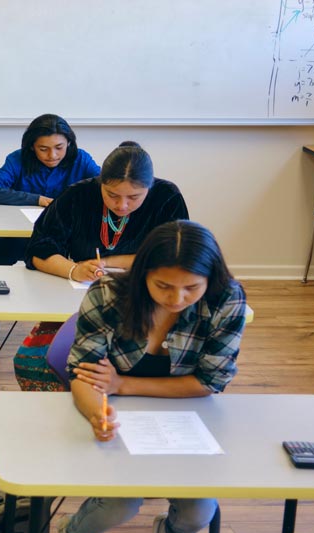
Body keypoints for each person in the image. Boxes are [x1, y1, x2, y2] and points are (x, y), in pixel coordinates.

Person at [56, 220, 247, 533]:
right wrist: (99, 413)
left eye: (192, 288)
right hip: (118, 410)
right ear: (143, 274)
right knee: (121, 504)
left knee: (198, 510)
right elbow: (84, 375)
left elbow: (210, 382)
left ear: (210, 279)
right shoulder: (109, 294)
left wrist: (124, 384)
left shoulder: (228, 300)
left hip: (187, 415)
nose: (177, 298)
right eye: (163, 286)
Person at [14, 142, 188, 390]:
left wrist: (108, 263)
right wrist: (73, 269)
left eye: (134, 197)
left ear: (149, 188)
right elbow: (38, 250)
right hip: (77, 300)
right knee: (33, 361)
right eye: (112, 195)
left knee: (118, 360)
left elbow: (175, 258)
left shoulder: (166, 197)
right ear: (101, 182)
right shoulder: (78, 195)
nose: (122, 205)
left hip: (146, 304)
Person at [0, 114, 100, 265]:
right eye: (43, 149)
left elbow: (105, 186)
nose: (52, 155)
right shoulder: (18, 159)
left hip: (63, 237)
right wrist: (37, 199)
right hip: (16, 236)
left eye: (59, 148)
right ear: (31, 146)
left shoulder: (81, 159)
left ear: (69, 143)